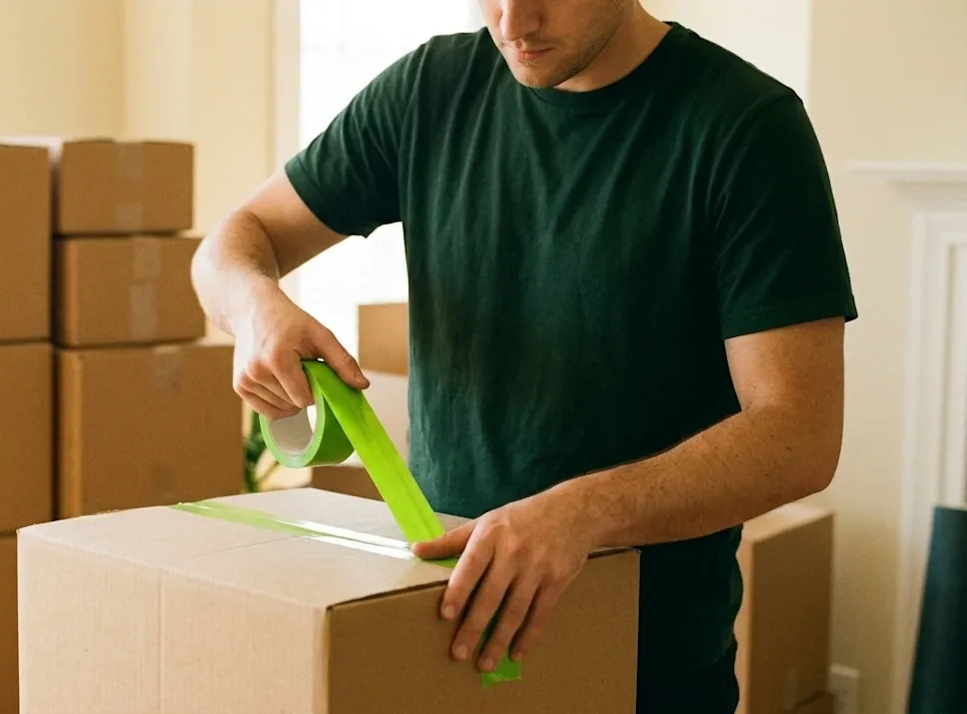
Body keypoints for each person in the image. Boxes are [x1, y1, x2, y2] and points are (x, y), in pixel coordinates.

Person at [190, 0, 856, 711]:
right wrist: (255, 307)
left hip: (642, 667)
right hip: (440, 639)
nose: (512, 22)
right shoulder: (428, 91)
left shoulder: (748, 128)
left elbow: (800, 435)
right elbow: (234, 243)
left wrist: (581, 513)